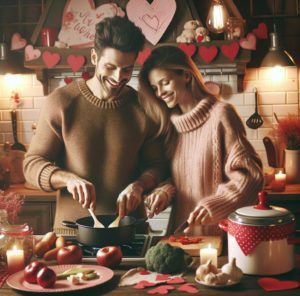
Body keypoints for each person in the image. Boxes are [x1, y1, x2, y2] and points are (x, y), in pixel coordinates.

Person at [23, 16, 168, 234]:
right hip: (72, 235)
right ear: (94, 56)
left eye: (127, 69)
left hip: (129, 233)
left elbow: (158, 166)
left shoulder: (144, 108)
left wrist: (139, 185)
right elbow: (31, 165)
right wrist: (68, 179)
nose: (119, 78)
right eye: (110, 67)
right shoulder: (62, 103)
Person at [139, 45, 264, 235]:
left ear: (186, 75)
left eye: (164, 82)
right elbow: (179, 180)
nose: (160, 93)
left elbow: (251, 176)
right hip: (182, 240)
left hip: (219, 240)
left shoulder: (221, 115)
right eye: (155, 88)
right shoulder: (171, 127)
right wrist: (163, 192)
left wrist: (215, 205)